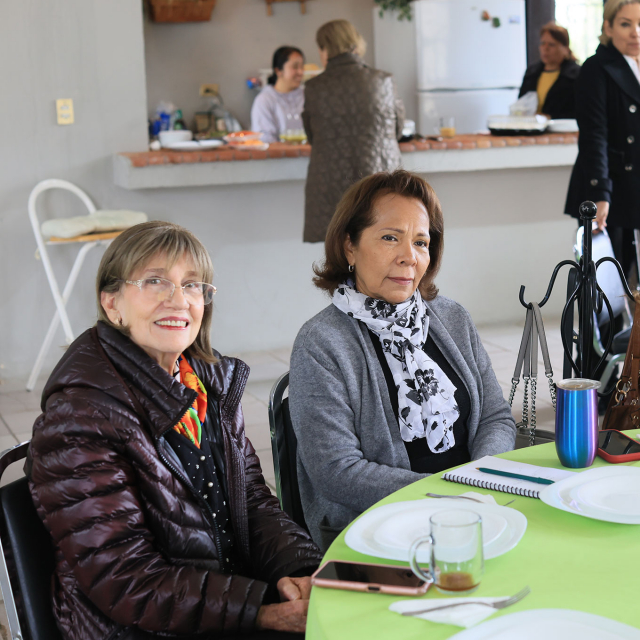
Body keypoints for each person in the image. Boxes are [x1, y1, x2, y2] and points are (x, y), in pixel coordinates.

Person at [25, 221, 322, 640]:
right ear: (112, 303)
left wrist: (302, 571)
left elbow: (252, 502)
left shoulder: (204, 384)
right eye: (154, 281)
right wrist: (262, 612)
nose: (179, 300)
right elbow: (125, 579)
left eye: (192, 285)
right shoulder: (79, 419)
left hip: (223, 604)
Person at [288, 170, 517, 551]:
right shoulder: (321, 343)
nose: (409, 257)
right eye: (390, 238)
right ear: (349, 246)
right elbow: (336, 471)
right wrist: (448, 495)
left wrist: (480, 481)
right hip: (378, 528)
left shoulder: (452, 318)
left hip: (477, 508)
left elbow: (495, 417)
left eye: (421, 242)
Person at [302, 20, 405, 243]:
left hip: (331, 184)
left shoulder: (314, 87)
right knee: (383, 240)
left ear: (325, 49)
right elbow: (397, 129)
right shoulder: (384, 81)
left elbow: (312, 136)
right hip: (379, 180)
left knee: (341, 246)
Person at [565, 0, 640, 279]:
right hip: (610, 186)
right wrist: (601, 194)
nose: (636, 32)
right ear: (608, 27)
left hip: (635, 186)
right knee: (607, 285)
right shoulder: (596, 68)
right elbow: (594, 135)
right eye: (625, 24)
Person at [518, 22, 581, 119]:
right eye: (542, 43)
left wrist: (550, 117)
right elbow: (521, 103)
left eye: (551, 44)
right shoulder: (531, 72)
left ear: (565, 48)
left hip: (562, 127)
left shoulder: (577, 74)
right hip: (531, 126)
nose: (545, 48)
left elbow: (580, 111)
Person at [251, 46, 305, 143]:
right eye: (295, 67)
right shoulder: (265, 100)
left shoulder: (307, 95)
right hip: (278, 153)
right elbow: (264, 139)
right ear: (278, 71)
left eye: (302, 67)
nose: (300, 72)